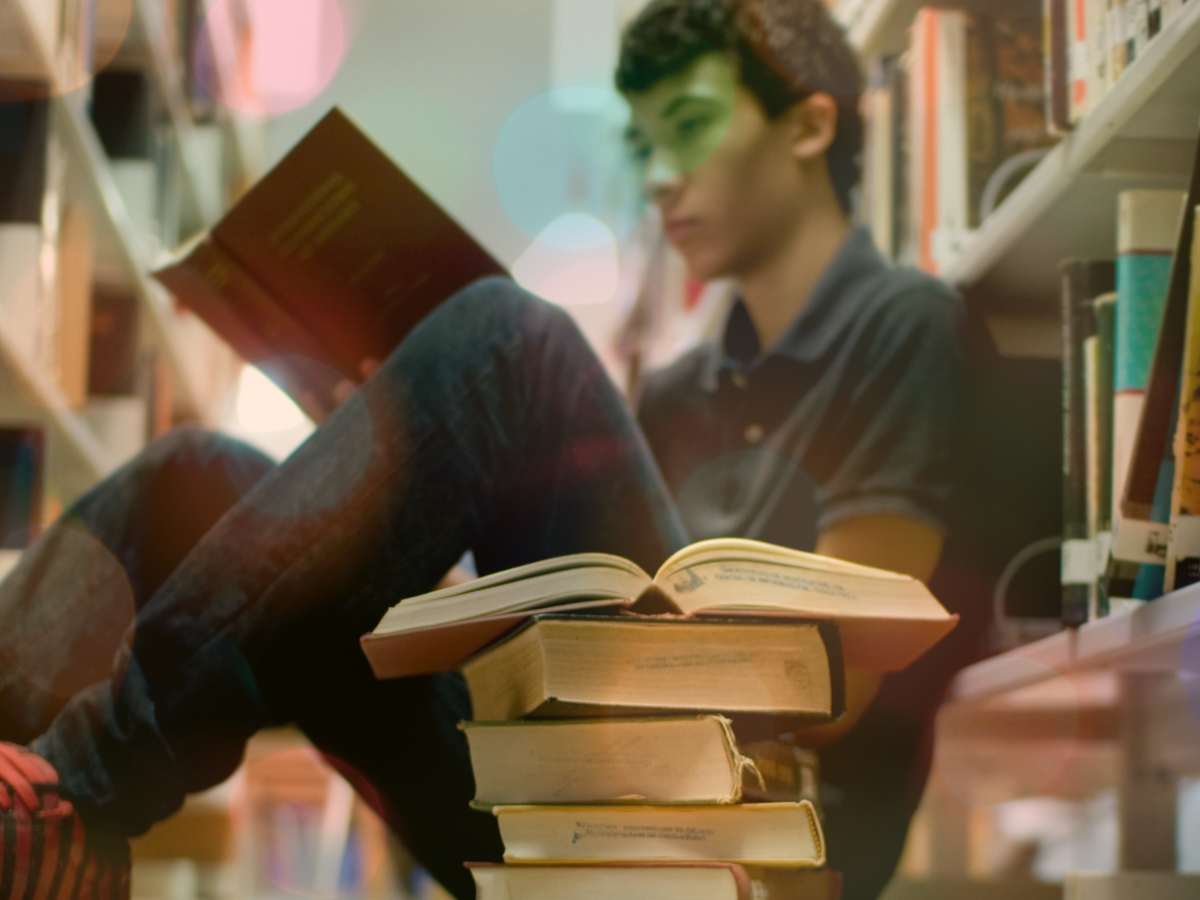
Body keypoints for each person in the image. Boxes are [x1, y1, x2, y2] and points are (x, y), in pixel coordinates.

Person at [0, 2, 982, 898]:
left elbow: (834, 680)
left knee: (512, 343)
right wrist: (387, 463)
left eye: (690, 124)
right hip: (546, 781)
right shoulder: (682, 389)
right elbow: (561, 625)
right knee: (202, 472)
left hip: (739, 836)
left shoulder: (904, 326)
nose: (665, 174)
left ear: (809, 127)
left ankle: (87, 783)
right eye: (647, 144)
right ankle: (17, 786)